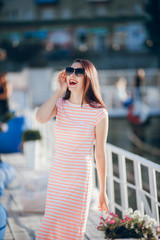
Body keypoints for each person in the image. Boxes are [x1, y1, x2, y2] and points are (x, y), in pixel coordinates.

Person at [35, 58, 109, 240]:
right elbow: (40, 118)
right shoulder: (60, 105)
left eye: (79, 72)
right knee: (48, 229)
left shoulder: (99, 113)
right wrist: (58, 91)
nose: (72, 75)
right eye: (70, 70)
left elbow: (99, 154)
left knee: (71, 233)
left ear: (88, 78)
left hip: (79, 180)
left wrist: (102, 191)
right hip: (57, 178)